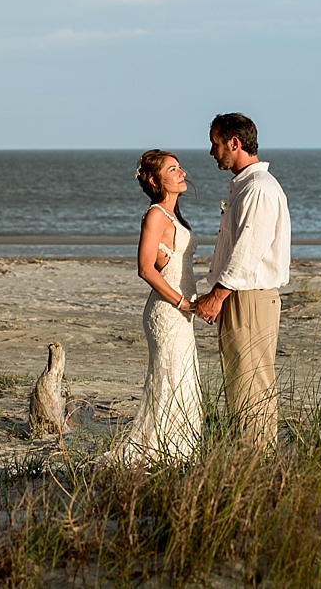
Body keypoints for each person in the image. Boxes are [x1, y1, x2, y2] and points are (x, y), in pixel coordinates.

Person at [193, 113, 291, 450]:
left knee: (251, 382)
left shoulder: (259, 189)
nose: (211, 152)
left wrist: (217, 297)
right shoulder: (246, 186)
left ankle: (256, 459)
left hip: (249, 297)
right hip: (242, 295)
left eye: (215, 144)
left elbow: (248, 252)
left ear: (235, 143)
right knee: (240, 379)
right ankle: (249, 455)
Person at [111, 149, 202, 464]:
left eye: (180, 167)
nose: (181, 173)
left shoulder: (174, 216)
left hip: (183, 313)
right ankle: (160, 454)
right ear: (154, 180)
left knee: (183, 380)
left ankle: (178, 453)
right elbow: (145, 267)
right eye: (172, 169)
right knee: (168, 381)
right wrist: (180, 301)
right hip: (166, 312)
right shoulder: (155, 215)